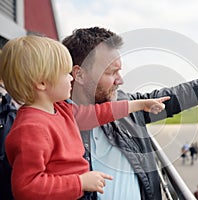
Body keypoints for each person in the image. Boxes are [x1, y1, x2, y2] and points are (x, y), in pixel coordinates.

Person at [62, 26, 198, 200]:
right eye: (111, 72)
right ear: (79, 74)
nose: (120, 80)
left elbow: (174, 97)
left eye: (119, 71)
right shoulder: (52, 124)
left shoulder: (129, 107)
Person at [0, 35, 169, 200]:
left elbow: (99, 113)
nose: (72, 77)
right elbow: (27, 188)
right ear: (42, 83)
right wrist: (80, 182)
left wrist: (139, 104)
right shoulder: (31, 129)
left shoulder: (61, 109)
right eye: (66, 73)